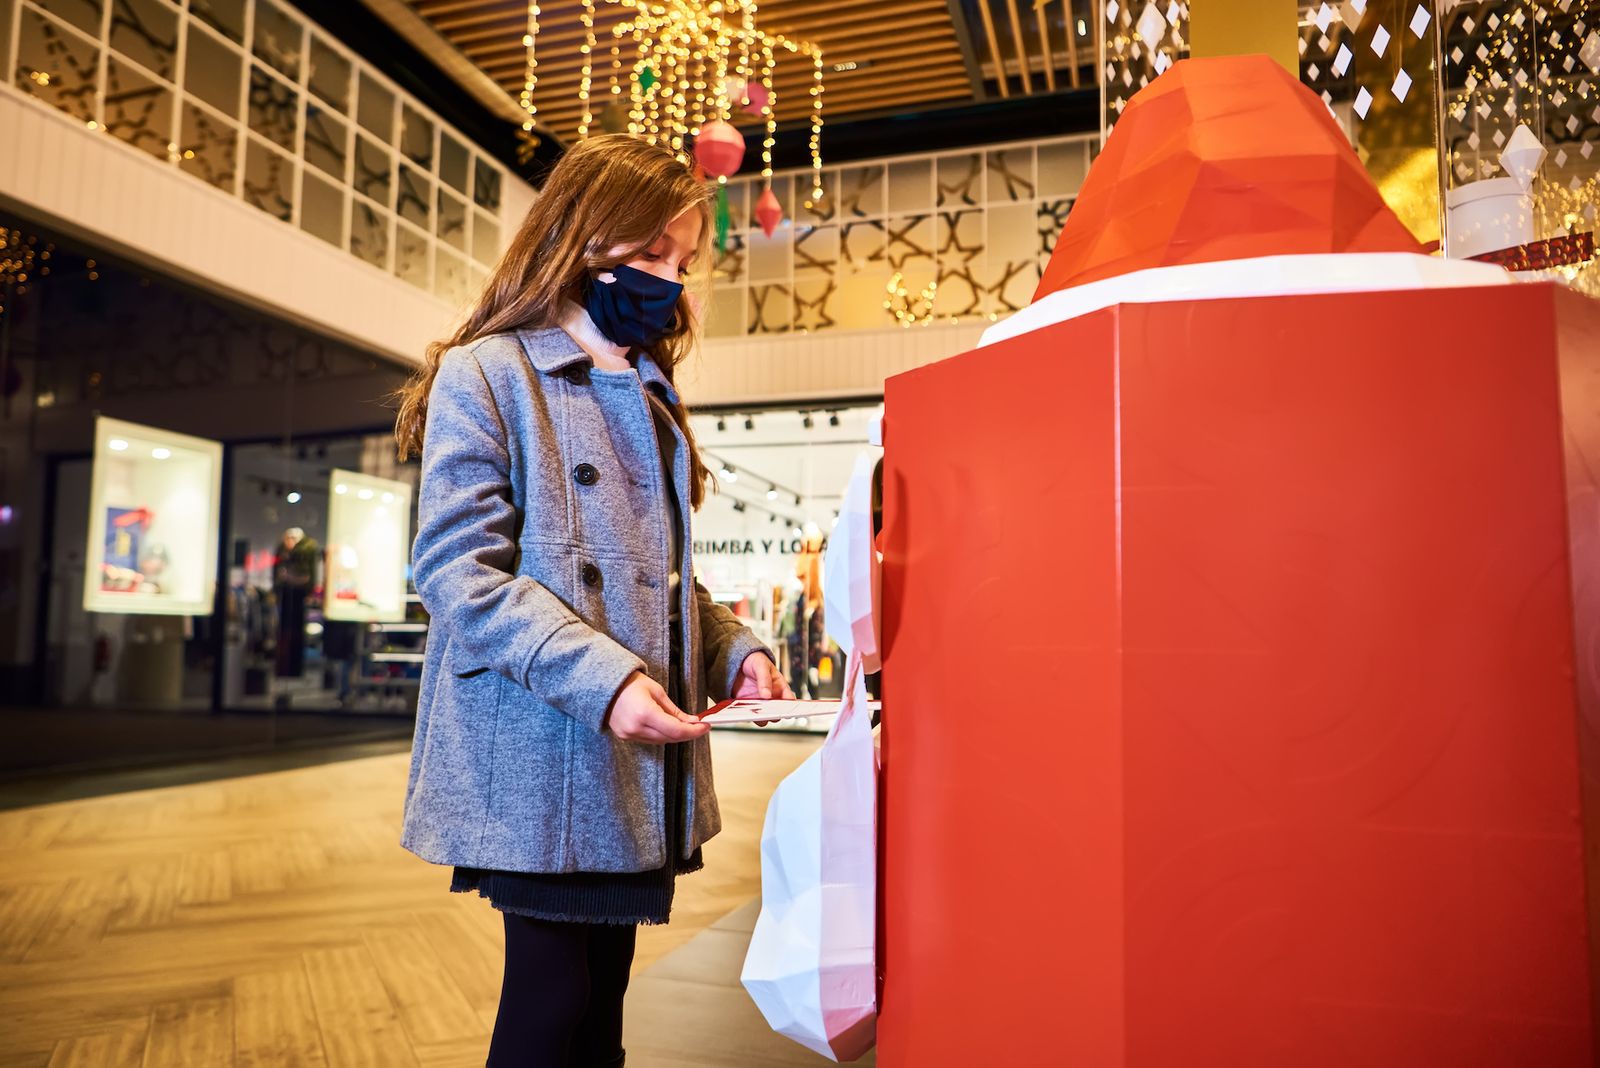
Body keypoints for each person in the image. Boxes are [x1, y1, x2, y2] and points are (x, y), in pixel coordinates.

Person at [392, 134, 794, 1068]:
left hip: (626, 752)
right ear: (581, 235)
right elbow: (460, 572)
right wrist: (605, 682)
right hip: (544, 744)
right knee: (551, 1006)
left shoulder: (648, 385)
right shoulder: (488, 372)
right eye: (651, 253)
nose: (669, 278)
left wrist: (738, 651)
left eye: (682, 261)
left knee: (598, 1010)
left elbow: (661, 579)